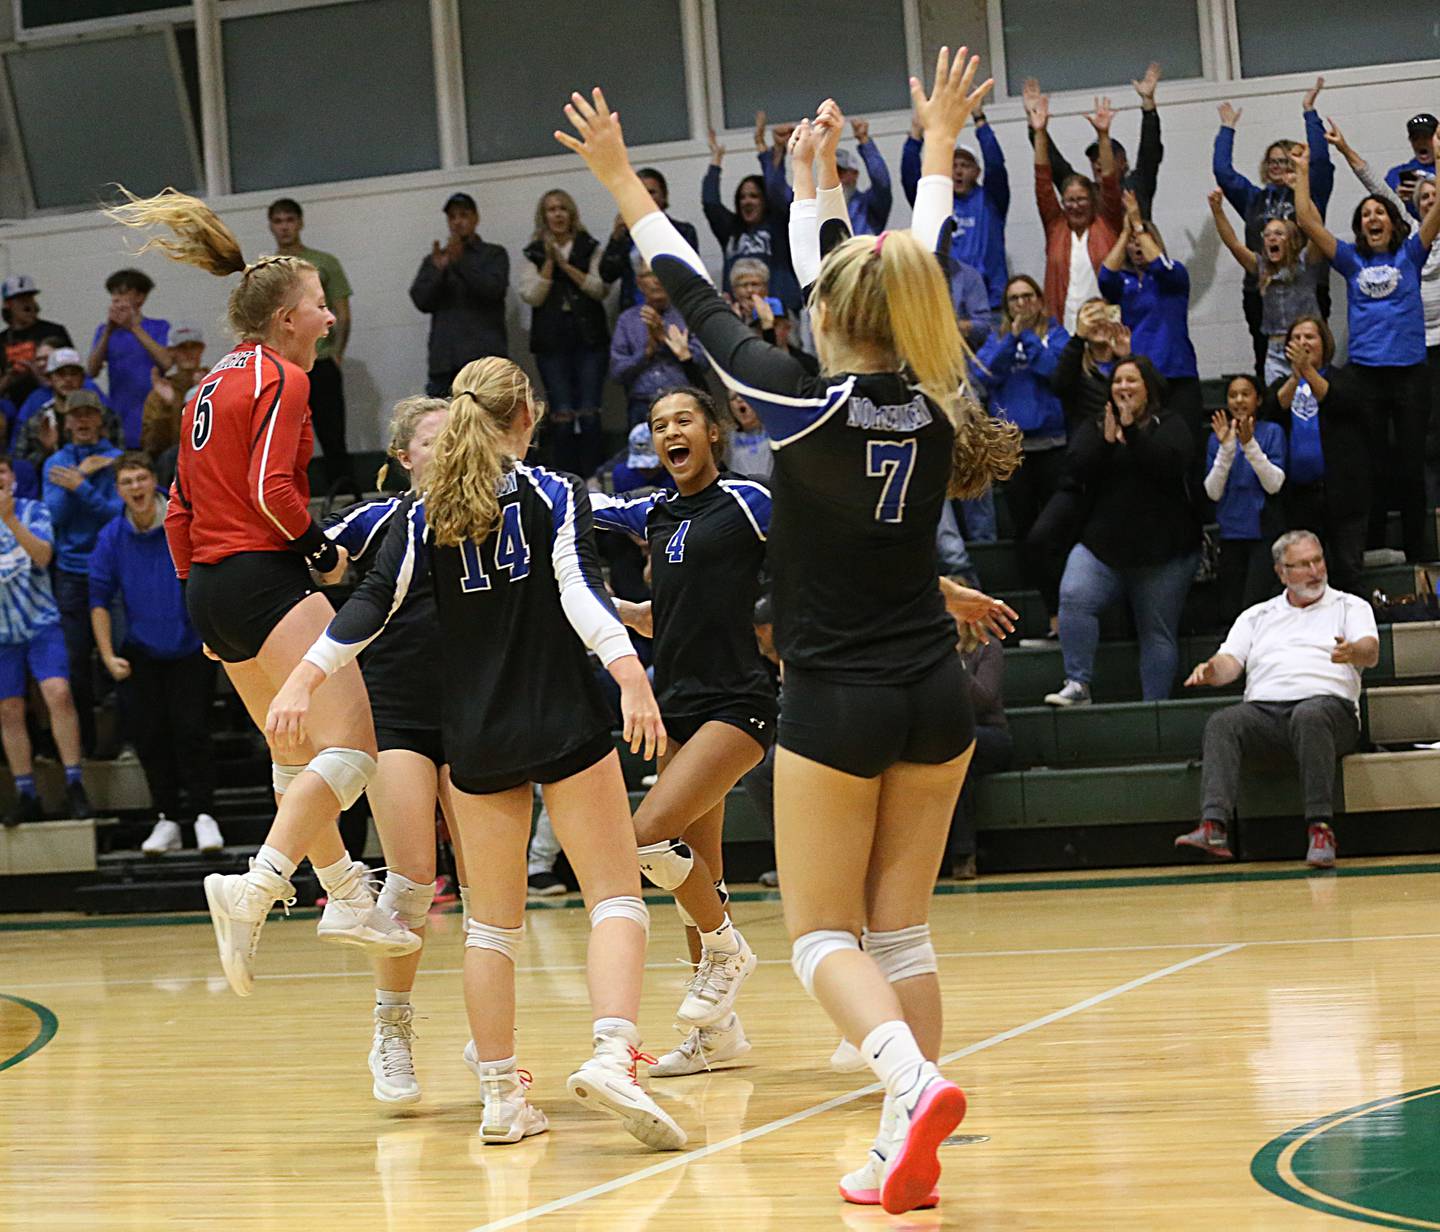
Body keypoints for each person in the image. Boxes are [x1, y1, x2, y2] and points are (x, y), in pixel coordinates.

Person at [556, 50, 1020, 1213]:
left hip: (837, 698)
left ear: (829, 319)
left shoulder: (803, 407)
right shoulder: (931, 400)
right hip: (935, 694)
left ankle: (911, 1086)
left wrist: (621, 180)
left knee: (819, 936)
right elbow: (909, 266)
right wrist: (919, 158)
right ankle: (895, 1153)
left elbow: (697, 297)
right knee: (900, 932)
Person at [271, 356, 687, 1151]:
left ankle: (501, 1096)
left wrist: (300, 678)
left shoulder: (424, 512)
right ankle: (611, 1055)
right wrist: (631, 677)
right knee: (615, 900)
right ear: (527, 415)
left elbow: (365, 605)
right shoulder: (554, 493)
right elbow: (580, 593)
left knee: (491, 928)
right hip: (562, 715)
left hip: (476, 733)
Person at [105, 186, 421, 998]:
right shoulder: (283, 378)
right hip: (259, 575)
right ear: (286, 319)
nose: (326, 317)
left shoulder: (209, 382)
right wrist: (325, 558)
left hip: (211, 585)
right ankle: (256, 885)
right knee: (355, 747)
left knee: (296, 756)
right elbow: (275, 489)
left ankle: (347, 895)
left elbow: (180, 506)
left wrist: (194, 597)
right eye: (318, 305)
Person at [592, 386, 772, 1075]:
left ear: (713, 433)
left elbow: (819, 547)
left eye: (684, 420)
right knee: (704, 872)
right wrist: (610, 608)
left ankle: (727, 951)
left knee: (644, 837)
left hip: (741, 702)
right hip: (680, 707)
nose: (671, 431)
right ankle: (718, 1036)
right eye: (659, 424)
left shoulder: (750, 503)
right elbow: (585, 514)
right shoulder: (654, 513)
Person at [322, 395, 457, 1106]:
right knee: (410, 879)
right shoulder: (377, 520)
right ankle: (392, 1030)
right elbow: (313, 561)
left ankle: (495, 1047)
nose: (446, 449)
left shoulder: (493, 520)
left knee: (498, 896)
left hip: (477, 713)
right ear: (404, 457)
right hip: (397, 715)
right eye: (432, 441)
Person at [1174, 530, 1377, 869]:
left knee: (1310, 715)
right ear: (1281, 572)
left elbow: (1370, 652)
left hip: (1329, 711)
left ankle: (1321, 830)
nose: (1314, 571)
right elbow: (1229, 664)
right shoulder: (1257, 616)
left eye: (1318, 561)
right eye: (1302, 565)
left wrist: (1353, 651)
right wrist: (1211, 670)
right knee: (1224, 721)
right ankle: (1213, 826)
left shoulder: (1350, 606)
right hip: (1265, 715)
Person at [1292, 137, 1440, 563]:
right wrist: (1303, 171)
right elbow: (1306, 220)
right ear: (1360, 227)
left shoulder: (1412, 255)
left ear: (1394, 224)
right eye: (1366, 214)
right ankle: (1375, 549)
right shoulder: (1350, 260)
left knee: (1412, 467)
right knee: (1372, 467)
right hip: (1366, 377)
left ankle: (1418, 553)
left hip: (1411, 373)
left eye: (1380, 212)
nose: (1373, 217)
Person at [1045, 355, 1201, 707]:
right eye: (1118, 381)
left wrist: (1130, 430)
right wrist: (1105, 439)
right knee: (1073, 597)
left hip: (1164, 550)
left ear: (1149, 387)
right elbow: (1075, 472)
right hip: (1103, 546)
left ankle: (1154, 708)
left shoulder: (1170, 422)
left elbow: (1168, 466)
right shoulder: (1097, 425)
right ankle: (1078, 683)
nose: (1124, 388)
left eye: (1132, 381)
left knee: (1156, 632)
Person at [89, 453, 220, 856]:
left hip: (190, 646)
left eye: (141, 478)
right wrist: (109, 655)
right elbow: (98, 598)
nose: (135, 488)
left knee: (191, 731)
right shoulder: (111, 537)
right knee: (150, 737)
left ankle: (203, 816)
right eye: (126, 482)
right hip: (142, 652)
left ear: (153, 481)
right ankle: (166, 819)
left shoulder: (182, 522)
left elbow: (212, 572)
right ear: (118, 491)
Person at [1324, 119, 1440, 504]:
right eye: (1423, 198)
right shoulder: (1409, 238)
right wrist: (1343, 149)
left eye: (1434, 197)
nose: (1429, 202)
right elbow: (1375, 185)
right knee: (1409, 447)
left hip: (1431, 349)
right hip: (1411, 349)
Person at [1212, 79, 1333, 379]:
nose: (1278, 166)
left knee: (1313, 364)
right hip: (1262, 288)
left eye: (1286, 161)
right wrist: (1227, 129)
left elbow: (1320, 161)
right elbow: (1224, 173)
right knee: (1266, 365)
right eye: (1273, 161)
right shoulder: (1255, 198)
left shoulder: (1309, 193)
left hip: (1307, 284)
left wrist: (1310, 113)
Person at [976, 275, 1070, 636]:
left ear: (1040, 300)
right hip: (1013, 452)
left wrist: (1028, 336)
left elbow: (1055, 373)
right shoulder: (998, 338)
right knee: (1025, 532)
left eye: (1027, 297)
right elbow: (981, 373)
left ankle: (1061, 611)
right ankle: (1043, 612)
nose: (1021, 304)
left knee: (1052, 532)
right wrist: (1013, 336)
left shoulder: (1055, 334)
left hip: (1053, 447)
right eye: (1014, 298)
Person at [0, 455, 88, 826]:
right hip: (3, 634)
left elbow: (42, 556)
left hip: (40, 624)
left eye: (1, 472)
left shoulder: (32, 510)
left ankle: (74, 784)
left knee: (58, 694)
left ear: (12, 478)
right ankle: (25, 793)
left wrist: (8, 519)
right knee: (9, 710)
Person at [1261, 315, 1369, 598]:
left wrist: (1308, 371)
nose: (1302, 343)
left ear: (1325, 342)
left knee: (1347, 571)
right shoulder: (1283, 385)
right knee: (1306, 576)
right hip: (1298, 497)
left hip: (1342, 492)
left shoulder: (1345, 377)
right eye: (1295, 338)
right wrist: (1297, 375)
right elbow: (1273, 409)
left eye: (1309, 337)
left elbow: (1339, 400)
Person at [43, 390, 121, 756]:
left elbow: (115, 516)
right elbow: (54, 518)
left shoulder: (117, 459)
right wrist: (79, 477)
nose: (83, 421)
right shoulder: (55, 462)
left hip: (111, 570)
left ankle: (123, 741)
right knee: (75, 661)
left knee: (119, 656)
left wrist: (81, 486)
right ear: (67, 422)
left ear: (100, 420)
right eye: (77, 416)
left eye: (90, 414)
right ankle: (87, 743)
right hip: (71, 574)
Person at [520, 189, 610, 477]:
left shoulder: (590, 246)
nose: (557, 214)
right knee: (561, 414)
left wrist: (566, 267)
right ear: (543, 217)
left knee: (589, 412)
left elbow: (599, 288)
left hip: (589, 339)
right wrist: (548, 264)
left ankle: (595, 479)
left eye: (562, 208)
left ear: (571, 214)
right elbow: (531, 296)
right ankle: (567, 479)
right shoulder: (533, 252)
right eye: (551, 209)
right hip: (552, 344)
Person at [268, 198, 354, 489]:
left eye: (289, 220)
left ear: (300, 223)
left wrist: (337, 352)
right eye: (278, 221)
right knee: (284, 434)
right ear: (271, 226)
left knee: (332, 433)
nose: (284, 227)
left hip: (321, 360)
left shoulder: (324, 263)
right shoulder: (267, 270)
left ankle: (343, 496)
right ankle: (285, 496)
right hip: (283, 365)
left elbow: (342, 312)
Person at [1100, 191, 1202, 425]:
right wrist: (1125, 233)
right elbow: (1105, 277)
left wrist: (1137, 224)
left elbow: (1161, 266)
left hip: (1176, 371)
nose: (1137, 246)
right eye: (1132, 243)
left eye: (1142, 240)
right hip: (1140, 377)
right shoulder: (1122, 282)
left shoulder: (1174, 275)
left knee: (1186, 442)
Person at [1028, 88, 1123, 332]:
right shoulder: (1056, 227)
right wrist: (1039, 132)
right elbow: (1042, 182)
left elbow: (1110, 181)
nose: (1075, 206)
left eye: (1081, 199)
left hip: (1107, 329)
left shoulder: (1108, 222)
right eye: (1069, 201)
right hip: (1064, 327)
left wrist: (1103, 135)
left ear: (1092, 201)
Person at [900, 102, 1008, 310]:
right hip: (946, 305)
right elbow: (909, 177)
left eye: (965, 165)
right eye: (954, 165)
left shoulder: (991, 201)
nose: (958, 171)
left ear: (977, 172)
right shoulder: (936, 203)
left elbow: (995, 164)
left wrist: (979, 118)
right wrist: (916, 135)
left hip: (990, 304)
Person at [1209, 190, 1323, 386]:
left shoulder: (1305, 263)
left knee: (1310, 401)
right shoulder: (1261, 267)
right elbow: (1234, 244)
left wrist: (1301, 190)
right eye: (1267, 234)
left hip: (1306, 347)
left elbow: (1317, 229)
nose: (1271, 238)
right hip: (1276, 349)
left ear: (1292, 239)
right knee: (1278, 404)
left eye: (1279, 234)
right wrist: (1218, 211)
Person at [1023, 62, 1164, 219]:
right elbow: (1055, 165)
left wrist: (1148, 103)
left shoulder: (1138, 185)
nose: (1098, 162)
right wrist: (1035, 126)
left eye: (1104, 156)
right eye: (1094, 159)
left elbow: (1150, 151)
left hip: (1134, 243)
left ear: (1123, 162)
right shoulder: (1086, 193)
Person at [409, 192, 510, 398]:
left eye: (463, 215)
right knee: (446, 425)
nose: (457, 222)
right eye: (452, 217)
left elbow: (493, 290)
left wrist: (460, 263)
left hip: (484, 360)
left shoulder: (493, 254)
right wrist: (439, 272)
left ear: (475, 218)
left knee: (489, 425)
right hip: (445, 361)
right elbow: (421, 301)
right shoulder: (436, 259)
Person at [1204, 375, 1286, 624]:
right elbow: (1213, 491)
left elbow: (1274, 484)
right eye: (1233, 395)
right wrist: (1227, 448)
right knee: (1230, 611)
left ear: (1258, 399)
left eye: (1245, 394)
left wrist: (1249, 445)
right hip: (1230, 532)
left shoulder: (1272, 432)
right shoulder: (1216, 438)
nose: (1239, 400)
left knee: (1256, 607)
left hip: (1263, 531)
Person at [702, 126, 800, 312]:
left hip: (780, 313)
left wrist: (773, 150)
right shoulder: (730, 230)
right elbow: (710, 203)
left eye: (754, 196)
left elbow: (774, 188)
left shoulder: (779, 225)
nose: (747, 201)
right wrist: (716, 159)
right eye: (742, 197)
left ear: (765, 201)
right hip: (739, 314)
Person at [946, 628, 1010, 880]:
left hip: (990, 736)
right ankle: (959, 854)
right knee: (957, 761)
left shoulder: (987, 647)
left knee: (958, 746)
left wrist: (949, 661)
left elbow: (983, 698)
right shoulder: (922, 655)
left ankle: (962, 854)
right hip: (948, 739)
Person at [608, 265, 705, 426]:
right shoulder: (627, 320)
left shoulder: (686, 316)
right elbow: (617, 372)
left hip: (683, 404)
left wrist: (664, 339)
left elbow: (703, 363)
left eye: (661, 273)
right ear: (639, 283)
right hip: (642, 406)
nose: (656, 280)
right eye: (649, 275)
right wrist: (646, 352)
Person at [86, 268, 171, 448]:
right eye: (113, 293)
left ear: (140, 297)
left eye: (123, 293)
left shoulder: (159, 327)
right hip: (120, 415)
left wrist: (133, 327)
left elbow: (167, 363)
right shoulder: (104, 331)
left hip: (152, 412)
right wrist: (108, 331)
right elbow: (91, 370)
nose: (116, 298)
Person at [600, 168, 700, 310]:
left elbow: (691, 275)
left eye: (651, 192)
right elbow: (607, 275)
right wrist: (616, 239)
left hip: (676, 312)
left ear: (664, 197)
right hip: (635, 315)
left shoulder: (683, 231)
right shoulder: (626, 236)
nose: (645, 197)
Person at [16, 350, 120, 472]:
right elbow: (20, 470)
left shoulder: (106, 416)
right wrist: (45, 450)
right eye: (61, 374)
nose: (68, 379)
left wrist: (101, 447)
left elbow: (122, 463)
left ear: (82, 378)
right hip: (50, 485)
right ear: (49, 379)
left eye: (73, 373)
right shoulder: (37, 420)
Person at [139, 323, 207, 477]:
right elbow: (152, 447)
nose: (188, 353)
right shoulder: (160, 393)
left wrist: (203, 394)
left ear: (202, 349)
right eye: (182, 348)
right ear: (171, 352)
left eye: (193, 347)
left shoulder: (217, 381)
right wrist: (170, 406)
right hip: (172, 469)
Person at [0, 276, 72, 411]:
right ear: (8, 304)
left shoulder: (54, 331)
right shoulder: (2, 340)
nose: (26, 303)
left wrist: (37, 370)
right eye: (20, 299)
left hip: (52, 400)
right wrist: (10, 378)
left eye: (30, 297)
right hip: (14, 405)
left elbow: (72, 372)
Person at [1384, 112, 1438, 206]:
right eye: (1415, 138)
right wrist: (1396, 200)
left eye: (1426, 137)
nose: (1421, 142)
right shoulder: (1395, 176)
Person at [726, 391, 772, 480]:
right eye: (733, 398)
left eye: (743, 395)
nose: (739, 400)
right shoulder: (727, 440)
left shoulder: (774, 428)